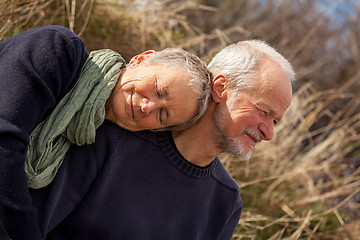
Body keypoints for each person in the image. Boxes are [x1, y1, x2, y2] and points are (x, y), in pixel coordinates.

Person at [22, 40, 294, 240]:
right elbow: (28, 225)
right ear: (221, 88)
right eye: (263, 112)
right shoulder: (113, 136)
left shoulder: (226, 202)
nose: (268, 133)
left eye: (275, 122)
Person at [0, 26, 212, 240]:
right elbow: (3, 141)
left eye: (163, 115)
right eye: (158, 90)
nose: (148, 107)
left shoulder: (94, 141)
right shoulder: (60, 50)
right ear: (141, 59)